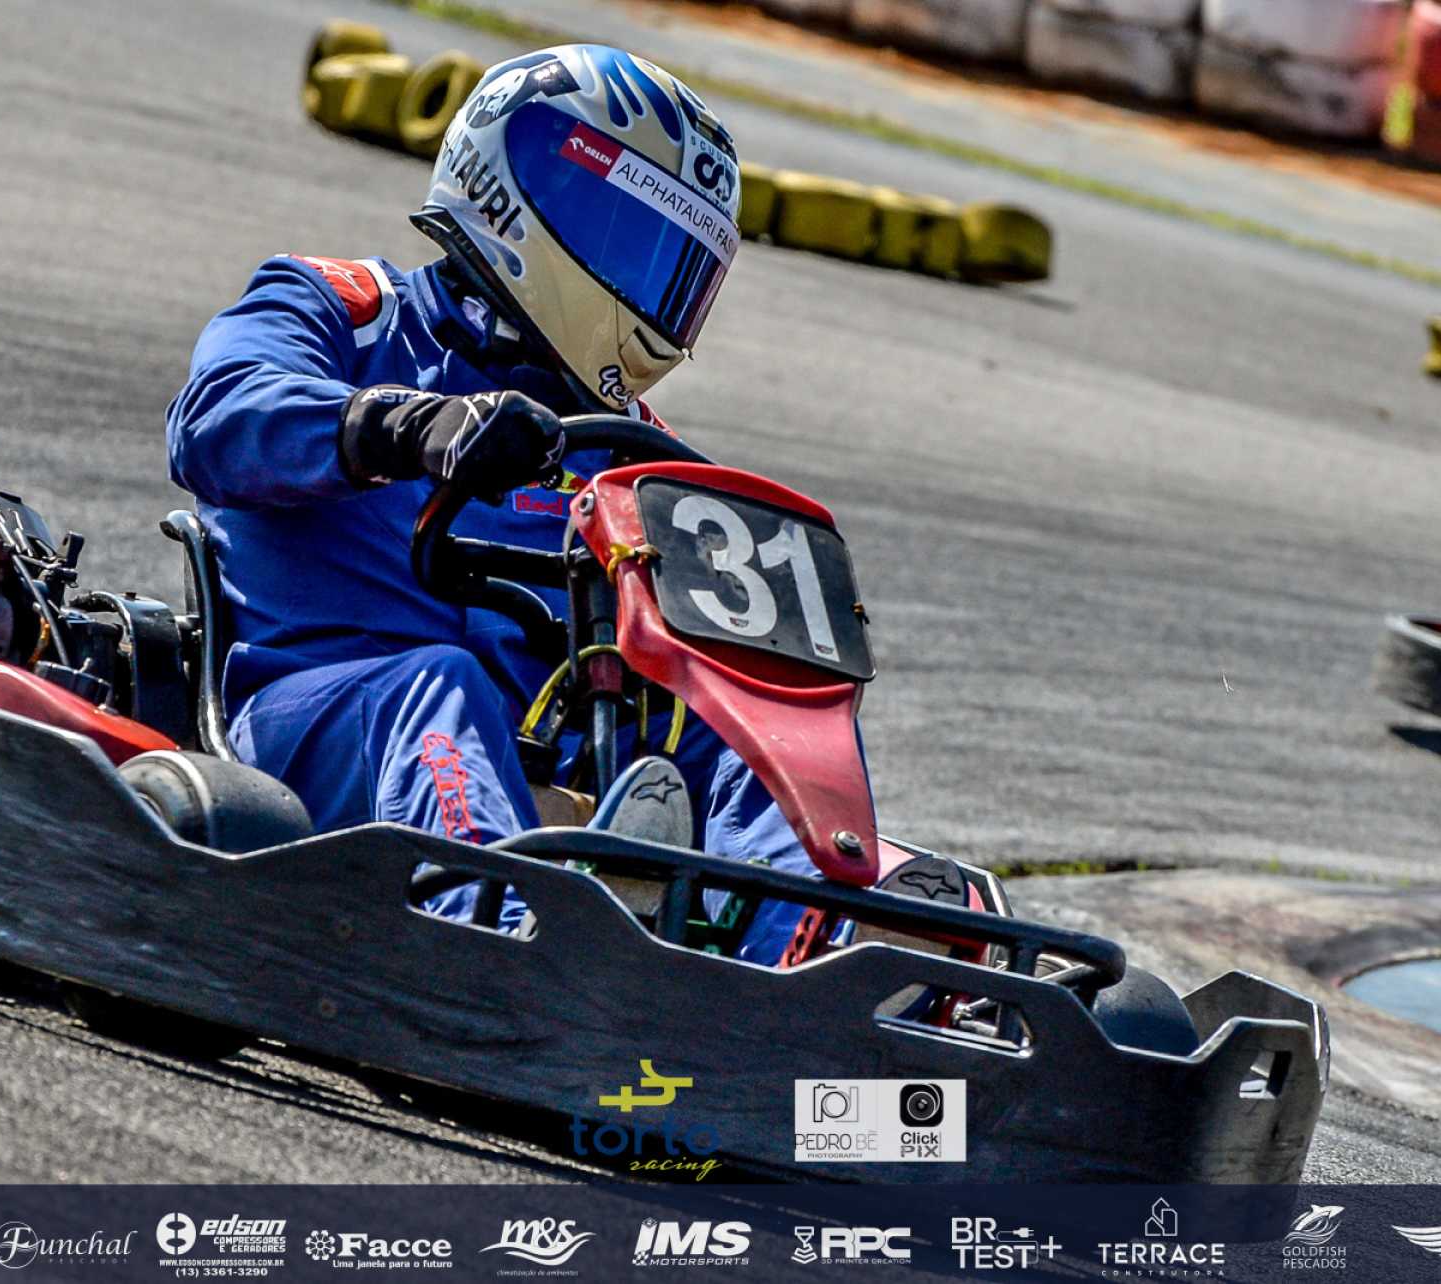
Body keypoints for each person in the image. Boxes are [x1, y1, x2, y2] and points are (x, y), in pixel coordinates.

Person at [166, 45, 969, 964]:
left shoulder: (630, 449)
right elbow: (217, 418)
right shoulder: (347, 311)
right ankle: (495, 939)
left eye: (679, 273)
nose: (655, 295)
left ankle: (800, 955)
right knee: (440, 682)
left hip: (539, 753)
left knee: (729, 734)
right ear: (517, 193)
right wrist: (409, 428)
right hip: (317, 714)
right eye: (635, 246)